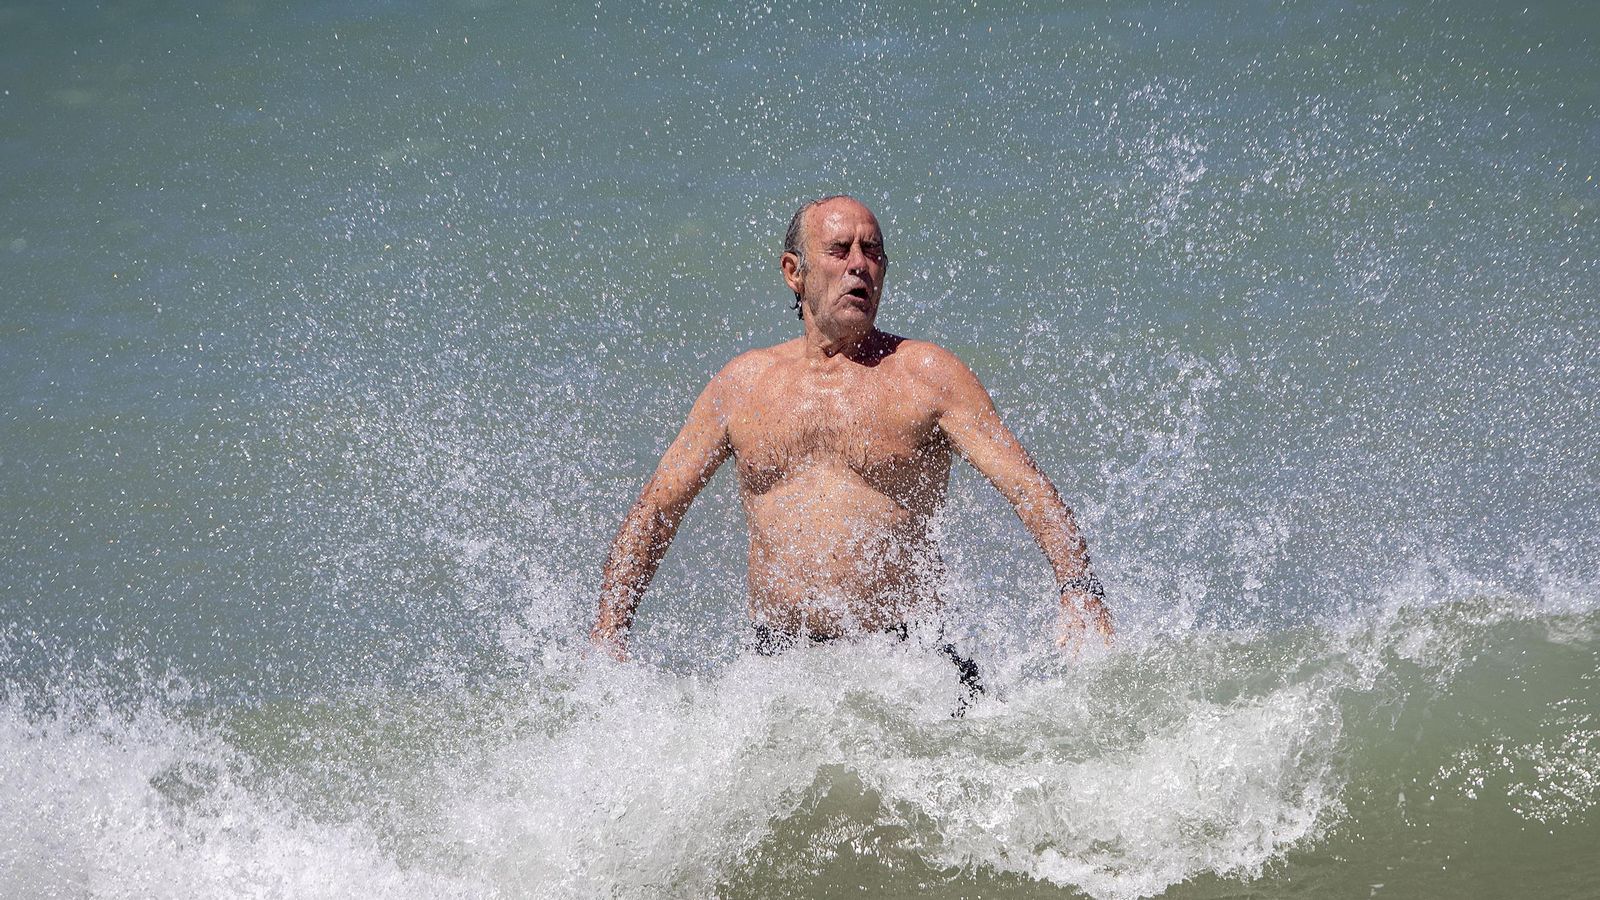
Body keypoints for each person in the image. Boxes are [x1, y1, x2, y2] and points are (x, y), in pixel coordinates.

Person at [590, 195, 1112, 695]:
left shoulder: (927, 375)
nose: (860, 265)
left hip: (908, 665)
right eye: (840, 250)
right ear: (794, 272)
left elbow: (1026, 487)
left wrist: (1080, 590)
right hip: (779, 666)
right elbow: (659, 507)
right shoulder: (743, 385)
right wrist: (610, 631)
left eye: (873, 252)